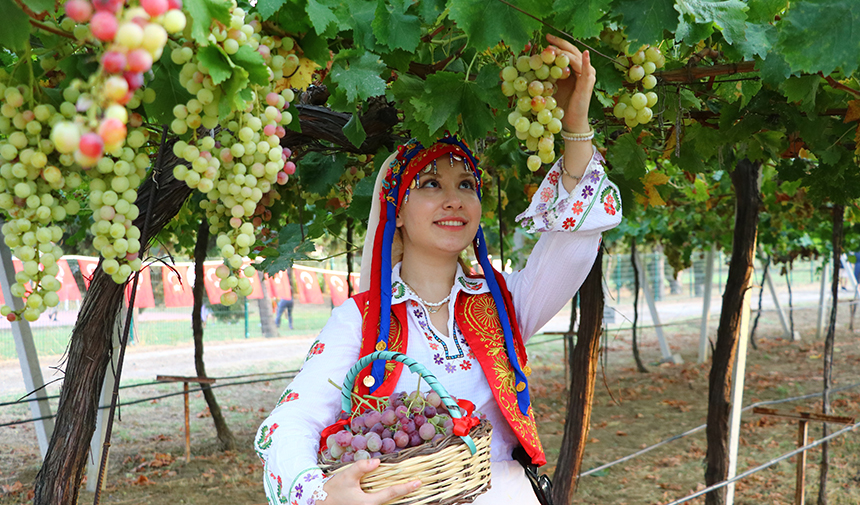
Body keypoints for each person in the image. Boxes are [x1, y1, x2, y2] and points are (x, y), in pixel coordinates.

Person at [255, 34, 622, 505]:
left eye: (466, 183)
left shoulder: (505, 304)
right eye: (431, 183)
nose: (454, 199)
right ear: (398, 211)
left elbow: (573, 243)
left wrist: (575, 124)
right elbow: (291, 421)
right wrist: (321, 496)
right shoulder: (362, 319)